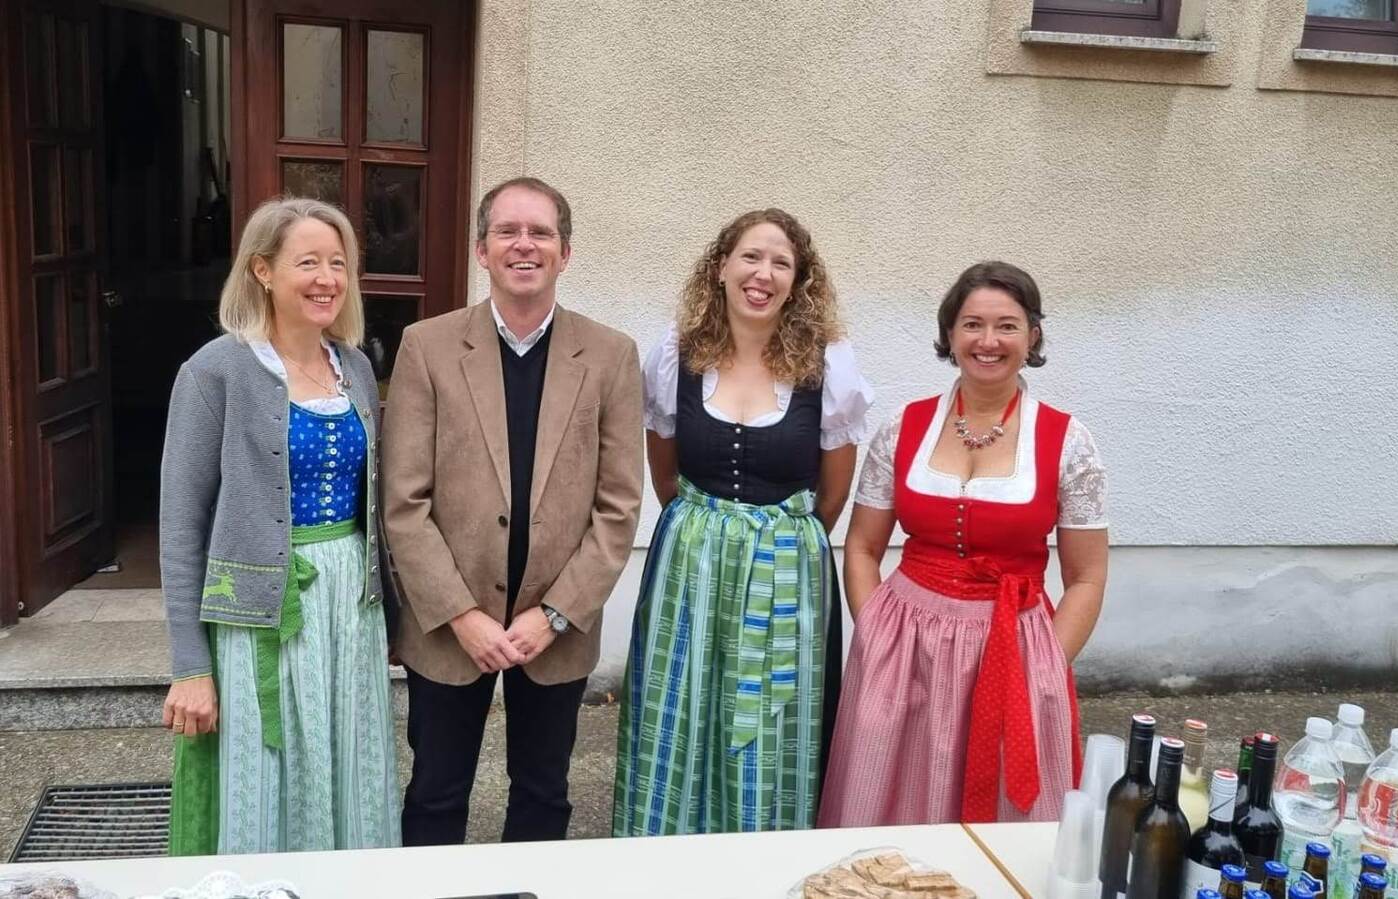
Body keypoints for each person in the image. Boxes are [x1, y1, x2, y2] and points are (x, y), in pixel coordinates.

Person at [384, 177, 643, 845]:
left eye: (540, 233)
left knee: (543, 793)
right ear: (482, 249)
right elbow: (404, 502)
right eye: (508, 231)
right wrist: (462, 615)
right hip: (449, 625)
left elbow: (619, 505)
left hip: (558, 625)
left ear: (565, 252)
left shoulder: (611, 355)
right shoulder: (426, 347)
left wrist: (555, 614)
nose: (524, 244)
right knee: (435, 792)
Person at [818, 261, 1109, 827]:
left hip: (1012, 643)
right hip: (906, 644)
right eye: (973, 324)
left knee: (1001, 819)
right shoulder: (903, 428)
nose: (988, 341)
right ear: (950, 334)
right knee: (888, 801)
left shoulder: (1069, 442)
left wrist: (1045, 666)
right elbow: (862, 548)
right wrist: (875, 630)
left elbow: (1087, 577)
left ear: (1033, 336)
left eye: (1007, 325)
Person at [613, 208, 874, 835]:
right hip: (692, 560)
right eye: (751, 257)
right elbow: (666, 476)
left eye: (782, 263)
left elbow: (831, 495)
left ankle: (763, 847)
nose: (763, 274)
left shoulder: (827, 365)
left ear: (798, 282)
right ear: (721, 267)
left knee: (775, 720)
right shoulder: (677, 355)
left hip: (785, 565)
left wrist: (776, 538)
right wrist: (712, 531)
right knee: (680, 705)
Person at [159, 196, 400, 854]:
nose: (327, 278)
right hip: (258, 609)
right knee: (266, 774)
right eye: (308, 262)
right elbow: (180, 526)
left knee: (350, 762)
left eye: (338, 263)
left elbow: (373, 506)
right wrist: (189, 665)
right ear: (262, 271)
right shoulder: (214, 371)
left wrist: (391, 612)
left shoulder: (354, 367)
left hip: (350, 605)